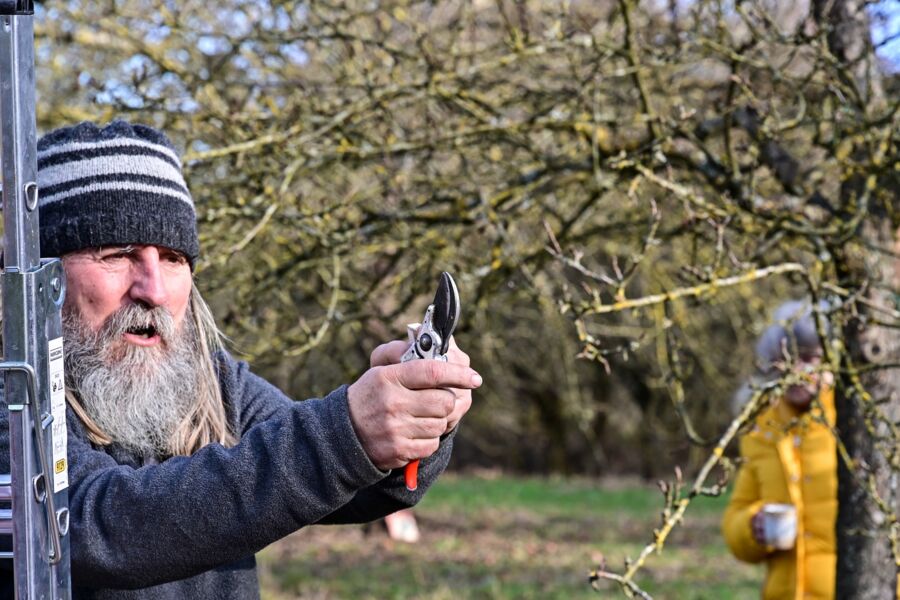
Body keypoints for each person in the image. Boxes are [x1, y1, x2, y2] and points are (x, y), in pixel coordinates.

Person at [0, 120, 481, 599]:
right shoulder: (12, 393)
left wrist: (410, 424)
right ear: (45, 277)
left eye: (172, 258)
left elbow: (345, 483)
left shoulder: (212, 380)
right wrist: (346, 431)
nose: (154, 290)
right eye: (118, 254)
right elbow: (91, 528)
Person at [721, 300, 835, 599]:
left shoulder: (859, 426)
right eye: (787, 360)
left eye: (809, 359)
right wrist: (752, 527)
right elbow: (736, 520)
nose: (797, 371)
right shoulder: (761, 429)